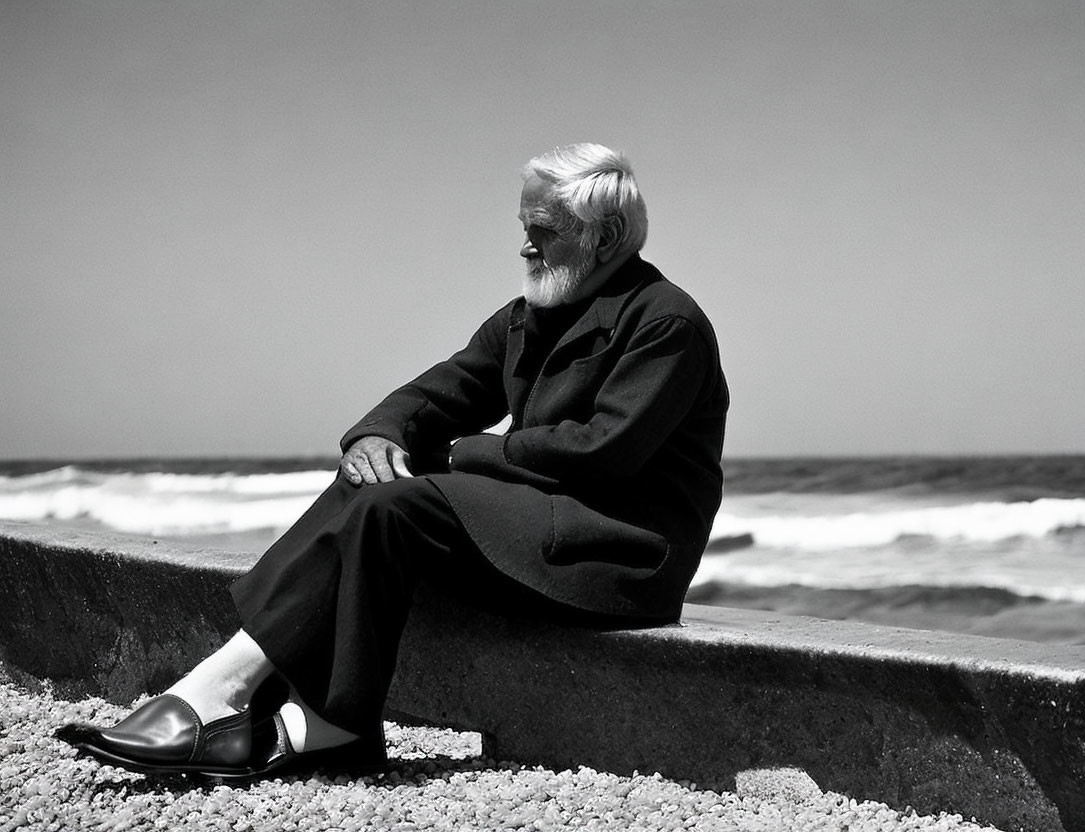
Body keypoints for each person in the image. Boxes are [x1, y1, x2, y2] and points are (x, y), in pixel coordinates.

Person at [56, 143, 729, 781]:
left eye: (544, 228)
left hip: (616, 555)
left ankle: (241, 702)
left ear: (605, 237)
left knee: (396, 501)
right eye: (523, 225)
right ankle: (282, 710)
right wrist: (377, 435)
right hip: (544, 530)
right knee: (372, 479)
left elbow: (602, 453)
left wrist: (466, 453)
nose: (524, 244)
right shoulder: (528, 316)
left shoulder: (666, 323)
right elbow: (442, 389)